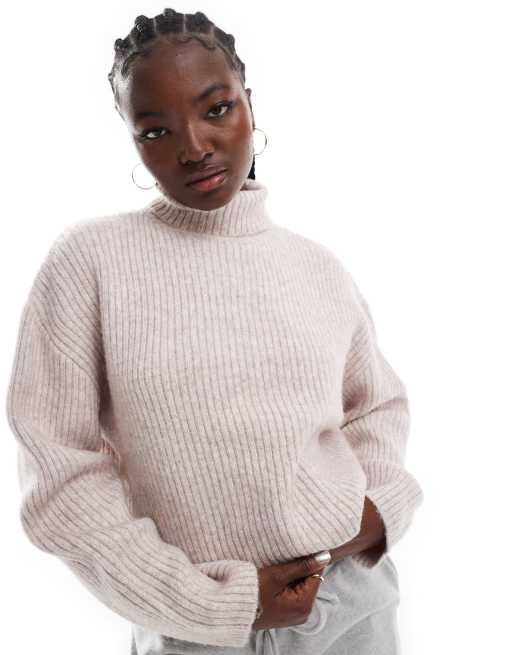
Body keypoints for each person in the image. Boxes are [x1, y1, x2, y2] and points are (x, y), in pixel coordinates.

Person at [5, 8, 424, 655]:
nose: (194, 146)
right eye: (155, 129)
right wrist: (204, 603)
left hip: (349, 605)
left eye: (216, 109)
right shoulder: (91, 261)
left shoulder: (315, 266)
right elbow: (59, 473)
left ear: (249, 103)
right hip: (196, 628)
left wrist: (374, 515)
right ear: (130, 137)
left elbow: (376, 408)